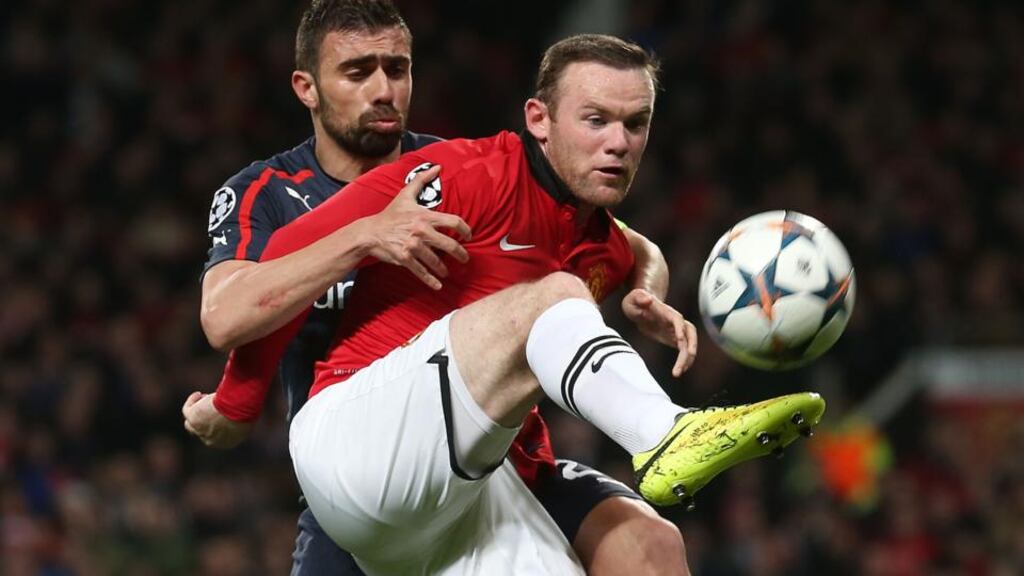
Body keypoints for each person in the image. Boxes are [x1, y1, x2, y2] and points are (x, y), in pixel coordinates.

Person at [213, 33, 826, 575]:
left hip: (463, 492)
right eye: (596, 120)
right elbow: (280, 263)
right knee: (551, 296)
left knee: (651, 549)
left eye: (635, 124)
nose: (618, 143)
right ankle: (666, 434)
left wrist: (647, 290)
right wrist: (237, 403)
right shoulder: (461, 174)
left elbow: (635, 250)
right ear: (539, 119)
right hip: (355, 439)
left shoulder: (600, 241)